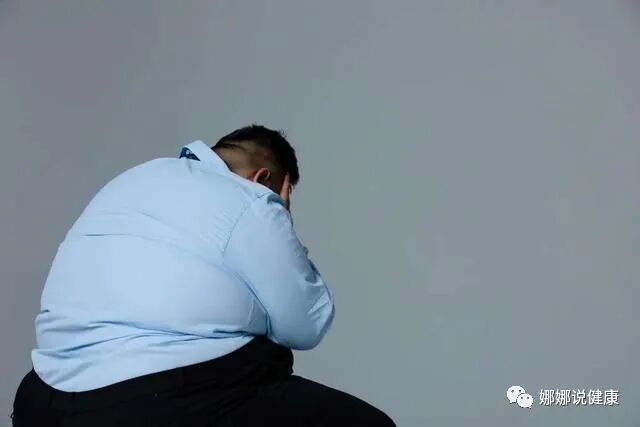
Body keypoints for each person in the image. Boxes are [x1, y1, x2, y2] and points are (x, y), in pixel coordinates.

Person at [11, 125, 396, 426]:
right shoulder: (251, 198)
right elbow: (305, 324)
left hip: (43, 401)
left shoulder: (134, 178)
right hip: (151, 405)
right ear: (264, 178)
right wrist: (279, 215)